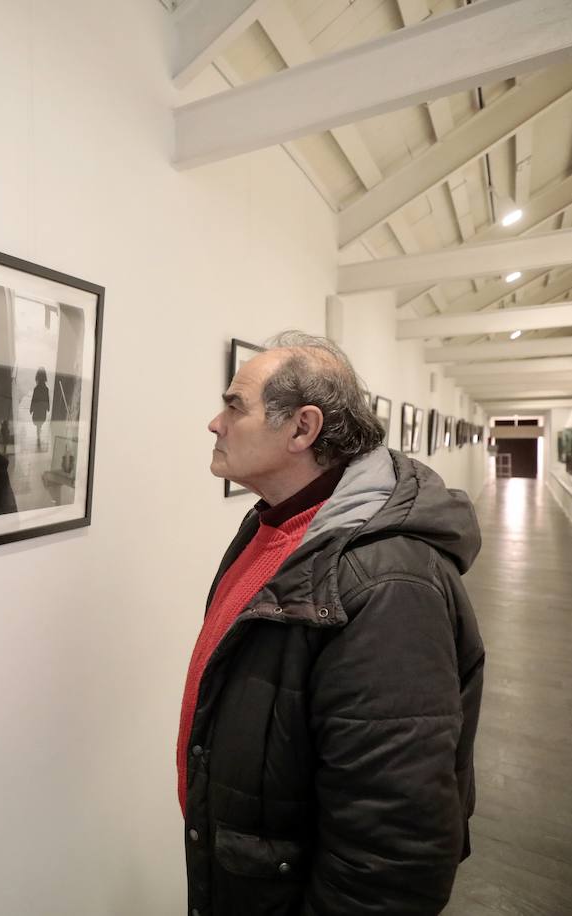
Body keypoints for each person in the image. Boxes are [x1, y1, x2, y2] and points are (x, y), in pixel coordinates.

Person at [178, 331, 485, 916]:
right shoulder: (278, 526)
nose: (215, 423)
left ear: (302, 429)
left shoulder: (389, 584)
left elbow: (394, 847)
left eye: (234, 406)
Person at [30, 367, 50, 450]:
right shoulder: (46, 389)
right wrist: (48, 407)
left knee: (37, 420)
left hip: (38, 408)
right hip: (42, 408)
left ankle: (38, 430)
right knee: (40, 420)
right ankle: (39, 429)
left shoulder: (36, 389)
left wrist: (31, 408)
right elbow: (47, 399)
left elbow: (33, 399)